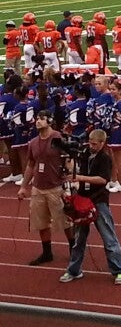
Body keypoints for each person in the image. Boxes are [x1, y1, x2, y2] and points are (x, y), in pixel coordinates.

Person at [59, 128, 121, 284]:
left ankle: (120, 270)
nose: (91, 146)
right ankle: (74, 270)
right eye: (90, 143)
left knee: (108, 237)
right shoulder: (84, 154)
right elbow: (73, 166)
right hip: (82, 199)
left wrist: (80, 177)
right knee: (78, 239)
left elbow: (103, 180)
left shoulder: (105, 158)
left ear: (102, 143)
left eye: (94, 144)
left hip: (99, 201)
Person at [16, 110, 75, 266]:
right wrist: (23, 187)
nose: (38, 121)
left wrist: (70, 176)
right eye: (37, 118)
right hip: (38, 187)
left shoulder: (58, 139)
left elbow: (70, 159)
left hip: (57, 186)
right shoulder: (33, 142)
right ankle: (47, 252)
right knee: (40, 222)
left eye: (41, 119)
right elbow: (30, 165)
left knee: (65, 222)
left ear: (49, 120)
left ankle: (73, 249)